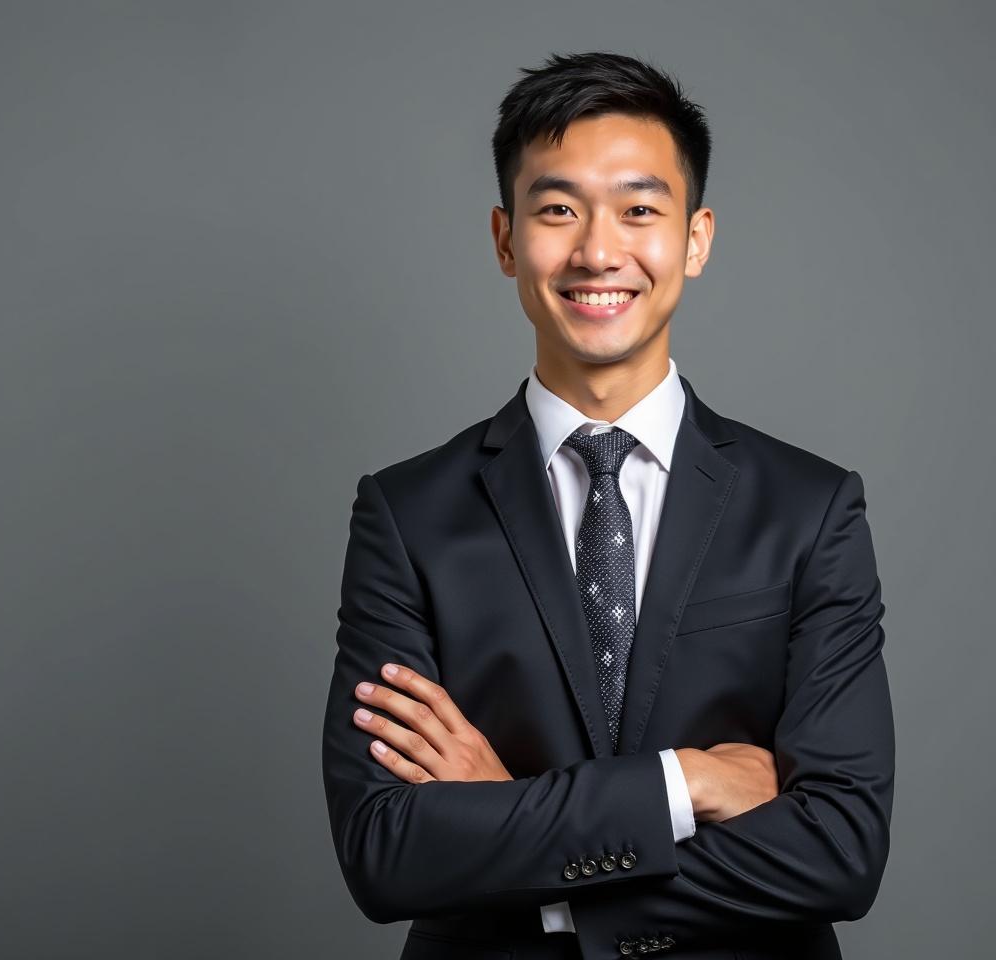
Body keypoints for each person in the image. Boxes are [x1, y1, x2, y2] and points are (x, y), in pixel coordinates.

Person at [321, 51, 895, 960]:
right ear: (507, 239)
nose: (597, 251)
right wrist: (684, 782)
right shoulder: (407, 515)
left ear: (696, 239)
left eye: (639, 209)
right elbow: (385, 852)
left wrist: (509, 822)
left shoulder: (810, 508)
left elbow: (840, 851)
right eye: (558, 210)